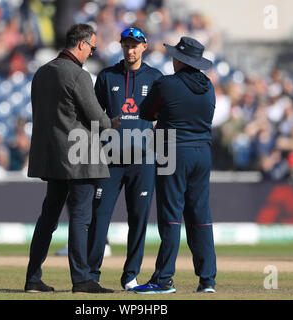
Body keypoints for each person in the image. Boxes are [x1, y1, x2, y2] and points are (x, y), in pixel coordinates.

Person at [24, 23, 121, 294]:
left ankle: (33, 278)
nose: (92, 52)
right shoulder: (78, 75)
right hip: (80, 157)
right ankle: (82, 280)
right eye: (92, 46)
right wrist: (111, 122)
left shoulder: (42, 72)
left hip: (52, 157)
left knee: (48, 218)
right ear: (81, 44)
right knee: (81, 217)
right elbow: (95, 117)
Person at [133, 37, 217, 294]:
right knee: (200, 216)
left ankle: (164, 278)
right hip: (202, 152)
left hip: (172, 149)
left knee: (171, 215)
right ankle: (207, 280)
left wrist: (166, 115)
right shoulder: (209, 86)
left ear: (180, 60)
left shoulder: (167, 84)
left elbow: (145, 113)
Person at [87, 27, 162, 291]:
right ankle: (90, 275)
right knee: (99, 216)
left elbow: (164, 115)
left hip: (142, 161)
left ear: (144, 47)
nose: (130, 50)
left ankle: (130, 276)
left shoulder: (155, 77)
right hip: (110, 160)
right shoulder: (107, 76)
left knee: (139, 219)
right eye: (126, 45)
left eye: (135, 45)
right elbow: (94, 116)